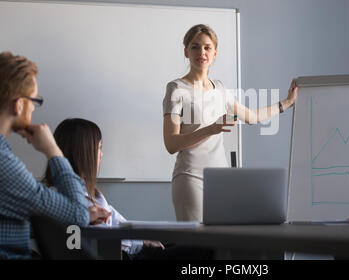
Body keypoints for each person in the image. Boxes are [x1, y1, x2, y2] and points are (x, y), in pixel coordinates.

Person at [163, 24, 299, 221]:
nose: (202, 52)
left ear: (215, 53)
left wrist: (287, 103)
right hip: (190, 178)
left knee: (222, 245)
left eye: (207, 47)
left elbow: (251, 117)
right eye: (195, 46)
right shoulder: (176, 89)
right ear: (186, 51)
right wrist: (211, 129)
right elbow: (171, 144)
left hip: (221, 181)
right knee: (196, 248)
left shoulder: (220, 89)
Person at [45, 118, 213, 260]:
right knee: (204, 250)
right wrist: (141, 242)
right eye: (99, 148)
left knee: (196, 244)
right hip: (124, 255)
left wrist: (144, 239)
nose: (101, 155)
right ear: (83, 153)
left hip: (132, 249)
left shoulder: (93, 194)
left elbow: (121, 224)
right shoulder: (61, 197)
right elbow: (102, 236)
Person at [0, 51, 110, 259]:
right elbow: (77, 215)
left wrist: (81, 215)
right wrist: (53, 151)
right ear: (19, 104)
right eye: (34, 100)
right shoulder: (4, 163)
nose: (33, 108)